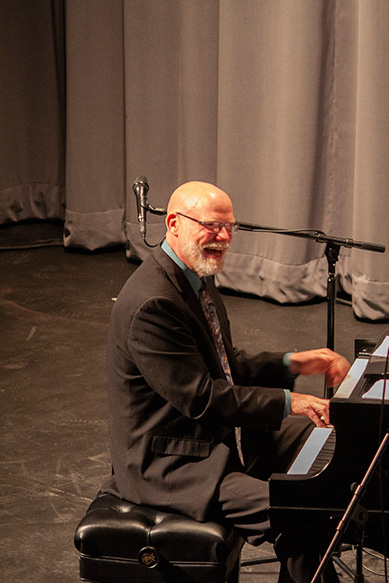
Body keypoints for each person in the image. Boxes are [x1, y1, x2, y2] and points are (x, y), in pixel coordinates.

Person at [100, 180, 350, 582]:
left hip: (213, 438)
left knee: (322, 441)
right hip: (175, 464)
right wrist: (292, 401)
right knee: (304, 517)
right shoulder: (154, 303)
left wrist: (295, 363)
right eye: (211, 226)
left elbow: (223, 365)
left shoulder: (195, 274)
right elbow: (201, 397)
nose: (223, 237)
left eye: (230, 227)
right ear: (173, 223)